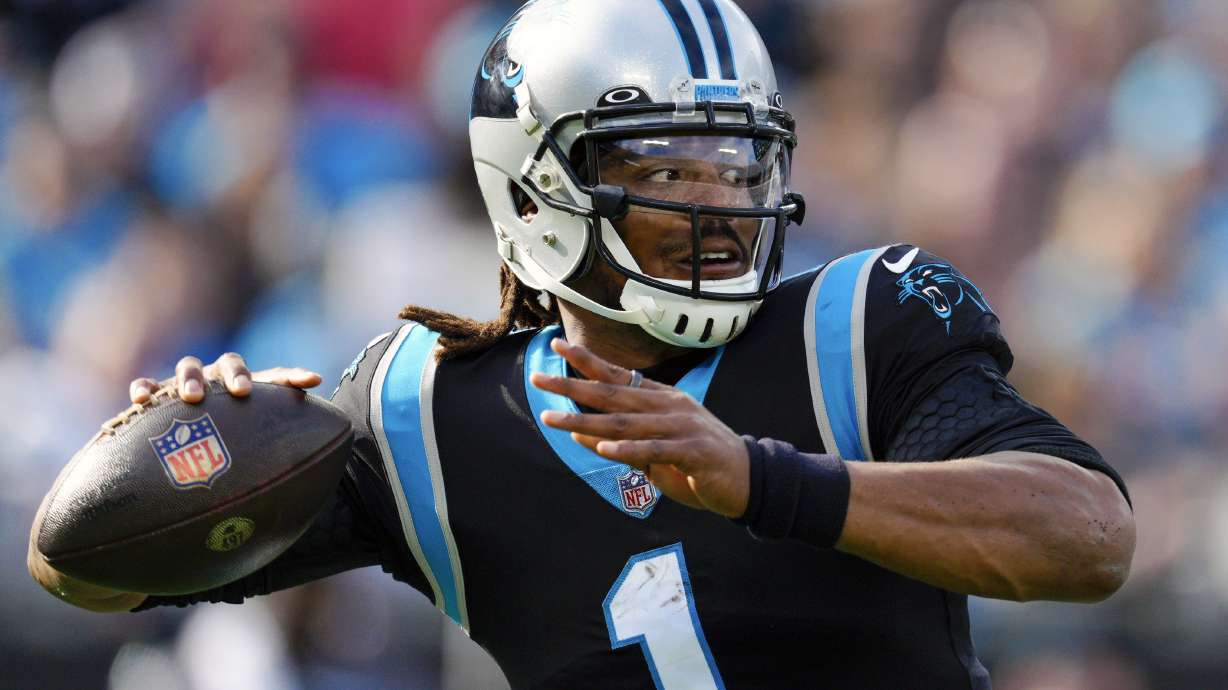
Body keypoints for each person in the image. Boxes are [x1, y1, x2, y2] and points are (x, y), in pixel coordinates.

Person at [29, 1, 1135, 687]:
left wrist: (766, 484)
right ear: (536, 187)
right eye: (667, 171)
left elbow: (1088, 537)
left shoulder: (860, 323)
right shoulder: (423, 414)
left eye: (737, 166)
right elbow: (86, 572)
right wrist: (189, 437)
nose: (719, 208)